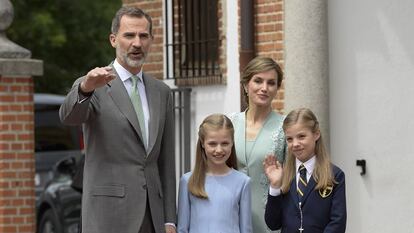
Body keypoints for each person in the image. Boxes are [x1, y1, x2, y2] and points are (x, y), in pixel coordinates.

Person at [59, 6, 176, 233]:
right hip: (108, 217)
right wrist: (85, 89)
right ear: (113, 40)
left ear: (151, 39)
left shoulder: (161, 92)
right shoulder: (93, 84)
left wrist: (169, 219)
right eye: (129, 35)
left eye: (143, 36)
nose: (137, 43)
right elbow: (69, 117)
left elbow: (166, 161)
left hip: (152, 217)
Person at [263, 108, 347, 233]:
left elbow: (337, 223)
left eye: (301, 136)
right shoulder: (284, 174)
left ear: (316, 134)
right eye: (290, 139)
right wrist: (275, 187)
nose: (295, 144)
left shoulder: (334, 175)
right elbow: (273, 223)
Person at [229, 56, 287, 233]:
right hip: (231, 218)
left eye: (271, 83)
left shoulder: (285, 127)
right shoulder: (229, 123)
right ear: (246, 85)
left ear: (277, 88)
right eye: (258, 81)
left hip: (270, 222)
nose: (264, 88)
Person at [177, 114, 252, 233]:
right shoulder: (187, 181)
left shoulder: (243, 182)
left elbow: (246, 229)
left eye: (225, 143)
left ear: (232, 143)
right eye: (212, 144)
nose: (219, 150)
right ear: (202, 143)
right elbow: (182, 228)